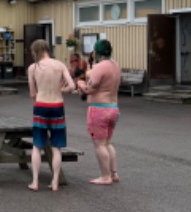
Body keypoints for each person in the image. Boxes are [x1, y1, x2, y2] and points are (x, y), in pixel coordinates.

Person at [27, 39, 76, 192]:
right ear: (48, 49)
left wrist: (38, 97)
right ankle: (54, 181)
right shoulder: (60, 65)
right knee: (56, 147)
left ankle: (35, 182)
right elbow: (72, 86)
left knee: (37, 145)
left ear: (36, 51)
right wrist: (61, 91)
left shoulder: (33, 67)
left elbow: (32, 93)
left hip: (41, 106)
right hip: (57, 106)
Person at [76, 39, 122, 185]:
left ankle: (105, 176)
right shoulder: (115, 65)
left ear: (96, 52)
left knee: (99, 145)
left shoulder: (100, 67)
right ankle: (114, 173)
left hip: (99, 109)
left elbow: (91, 89)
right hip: (113, 108)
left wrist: (81, 84)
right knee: (108, 143)